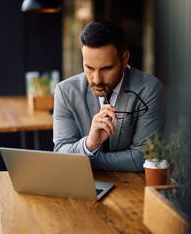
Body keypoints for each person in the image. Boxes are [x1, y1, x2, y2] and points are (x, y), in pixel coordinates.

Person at [53, 20, 166, 172]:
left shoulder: (149, 89)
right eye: (89, 68)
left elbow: (141, 158)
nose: (96, 79)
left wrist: (88, 158)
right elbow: (60, 153)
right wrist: (89, 144)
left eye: (106, 68)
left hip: (131, 188)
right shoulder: (65, 91)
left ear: (125, 59)